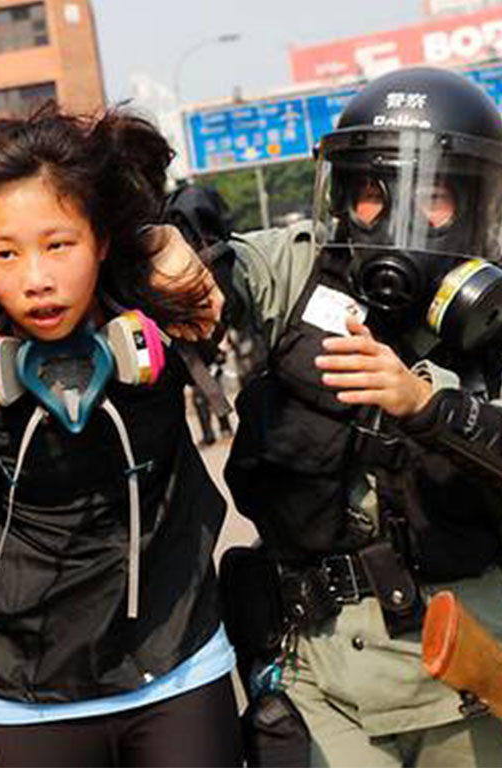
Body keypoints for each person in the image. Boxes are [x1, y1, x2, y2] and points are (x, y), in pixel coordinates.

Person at [0, 105, 242, 767]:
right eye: (5, 254)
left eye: (58, 244)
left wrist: (167, 238)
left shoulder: (168, 305)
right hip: (28, 693)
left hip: (178, 665)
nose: (36, 279)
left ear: (101, 240)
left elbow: (265, 258)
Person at [214, 66, 502, 766]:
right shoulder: (302, 275)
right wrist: (182, 257)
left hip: (466, 673)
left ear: (471, 204)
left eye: (428, 196)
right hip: (322, 678)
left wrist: (428, 407)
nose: (393, 220)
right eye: (372, 194)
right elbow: (216, 271)